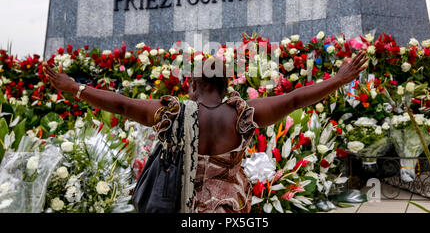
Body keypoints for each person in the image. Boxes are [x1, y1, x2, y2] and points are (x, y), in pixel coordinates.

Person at [43, 50, 368, 213]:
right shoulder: (243, 114)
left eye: (189, 83)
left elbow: (123, 105)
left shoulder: (172, 113)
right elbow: (296, 98)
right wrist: (339, 79)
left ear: (197, 84)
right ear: (225, 86)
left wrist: (75, 88)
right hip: (230, 206)